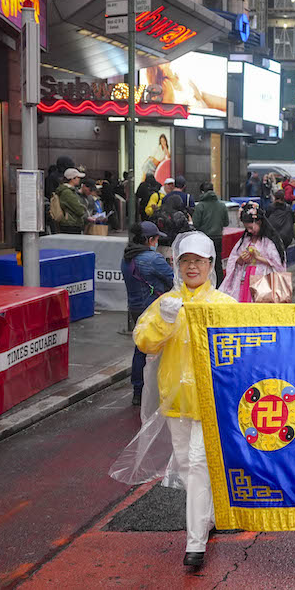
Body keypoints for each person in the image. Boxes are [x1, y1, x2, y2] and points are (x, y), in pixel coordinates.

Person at [124, 231, 235, 569]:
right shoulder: (166, 304)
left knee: (199, 464)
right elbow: (144, 342)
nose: (191, 267)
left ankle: (195, 542)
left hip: (212, 403)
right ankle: (208, 515)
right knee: (187, 466)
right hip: (176, 401)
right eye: (185, 261)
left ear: (210, 265)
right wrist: (164, 320)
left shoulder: (225, 306)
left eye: (198, 261)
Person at [121, 221, 174, 406]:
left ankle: (138, 390)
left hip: (135, 309)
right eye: (156, 239)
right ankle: (161, 390)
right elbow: (173, 279)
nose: (157, 242)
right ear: (149, 240)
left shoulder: (127, 257)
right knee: (164, 349)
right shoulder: (153, 259)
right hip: (153, 309)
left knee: (141, 348)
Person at [219, 202, 286, 302]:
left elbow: (278, 264)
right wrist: (240, 259)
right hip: (244, 278)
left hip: (264, 280)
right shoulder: (245, 240)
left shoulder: (269, 241)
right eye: (247, 228)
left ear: (259, 222)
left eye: (251, 227)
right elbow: (233, 258)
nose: (249, 231)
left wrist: (258, 258)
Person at [192, 181, 230, 281]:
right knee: (217, 263)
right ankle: (219, 284)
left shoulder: (200, 206)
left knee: (204, 262)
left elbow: (196, 224)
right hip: (218, 237)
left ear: (202, 191)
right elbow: (226, 223)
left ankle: (206, 283)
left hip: (204, 239)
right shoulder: (222, 205)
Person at [264, 190, 295, 264]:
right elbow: (293, 220)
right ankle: (282, 264)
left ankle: (275, 264)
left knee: (273, 251)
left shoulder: (270, 207)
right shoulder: (288, 208)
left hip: (273, 234)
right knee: (283, 251)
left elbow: (265, 218)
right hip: (286, 234)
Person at [55, 167, 88, 234]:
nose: (79, 179)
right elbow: (79, 210)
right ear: (72, 179)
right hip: (70, 224)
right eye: (78, 177)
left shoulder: (70, 191)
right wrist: (83, 208)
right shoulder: (67, 192)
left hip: (70, 223)